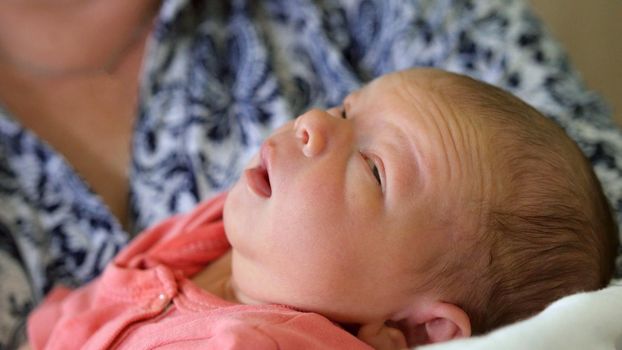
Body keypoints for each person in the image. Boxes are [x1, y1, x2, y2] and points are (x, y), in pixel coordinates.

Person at [2, 0, 622, 348]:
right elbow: (86, 308)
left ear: (416, 328)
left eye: (375, 170)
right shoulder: (211, 235)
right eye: (346, 107)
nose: (313, 122)